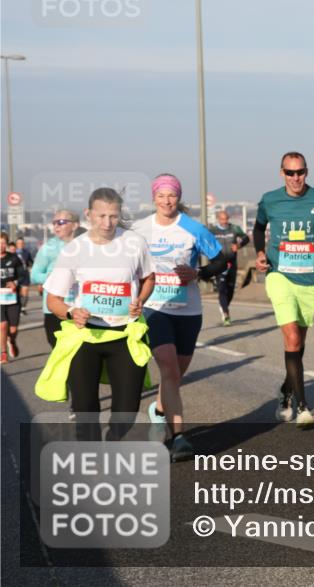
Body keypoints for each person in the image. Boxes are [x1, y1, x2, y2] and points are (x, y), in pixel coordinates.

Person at [37, 188, 156, 442]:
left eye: (113, 216)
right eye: (101, 216)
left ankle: (113, 441)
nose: (107, 222)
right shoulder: (75, 249)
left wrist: (141, 300)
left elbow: (148, 278)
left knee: (127, 410)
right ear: (88, 215)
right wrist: (71, 312)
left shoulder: (134, 243)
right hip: (86, 335)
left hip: (123, 334)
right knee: (85, 410)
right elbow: (54, 299)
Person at [134, 174, 228, 461]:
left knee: (176, 375)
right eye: (161, 195)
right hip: (154, 308)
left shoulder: (192, 228)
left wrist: (198, 273)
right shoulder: (139, 230)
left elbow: (222, 260)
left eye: (171, 195)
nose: (166, 201)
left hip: (188, 311)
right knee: (169, 369)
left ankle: (159, 411)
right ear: (154, 198)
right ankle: (179, 438)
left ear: (178, 197)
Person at [254, 152, 314, 427]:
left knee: (298, 344)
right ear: (282, 173)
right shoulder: (270, 199)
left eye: (300, 172)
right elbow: (259, 228)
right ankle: (303, 406)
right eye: (290, 173)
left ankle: (285, 390)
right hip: (279, 275)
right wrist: (259, 252)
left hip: (310, 280)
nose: (296, 178)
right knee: (292, 339)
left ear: (307, 171)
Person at [31, 210, 82, 347]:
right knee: (58, 349)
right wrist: (53, 278)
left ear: (75, 225)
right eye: (54, 223)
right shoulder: (48, 248)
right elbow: (35, 275)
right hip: (54, 308)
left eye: (61, 222)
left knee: (79, 353)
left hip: (79, 308)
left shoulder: (85, 245)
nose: (56, 226)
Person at [208, 209, 250, 326]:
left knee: (230, 289)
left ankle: (224, 306)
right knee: (222, 288)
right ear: (218, 219)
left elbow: (246, 238)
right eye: (222, 219)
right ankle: (226, 313)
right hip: (218, 263)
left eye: (226, 219)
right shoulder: (212, 230)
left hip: (232, 262)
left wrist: (238, 245)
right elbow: (204, 242)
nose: (224, 221)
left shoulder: (234, 228)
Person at [1, 232, 24, 364]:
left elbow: (23, 274)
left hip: (12, 297)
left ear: (7, 244)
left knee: (13, 329)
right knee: (2, 326)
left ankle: (12, 341)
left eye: (3, 243)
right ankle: (3, 353)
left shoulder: (14, 258)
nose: (1, 246)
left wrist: (14, 282)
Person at [14, 237, 33, 313]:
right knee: (18, 292)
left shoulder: (27, 252)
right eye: (19, 243)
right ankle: (17, 306)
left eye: (22, 243)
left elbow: (31, 262)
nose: (20, 245)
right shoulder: (13, 253)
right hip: (16, 275)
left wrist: (31, 268)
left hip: (25, 275)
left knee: (25, 291)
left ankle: (23, 308)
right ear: (16, 244)